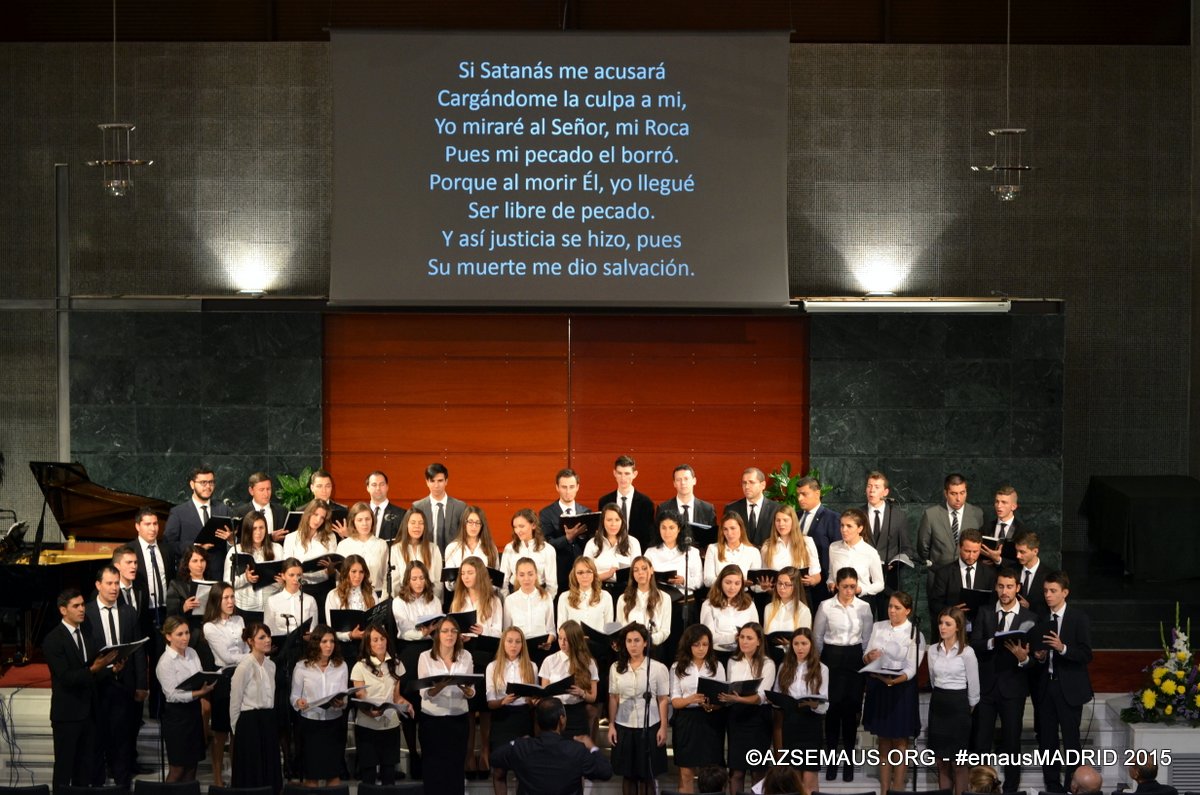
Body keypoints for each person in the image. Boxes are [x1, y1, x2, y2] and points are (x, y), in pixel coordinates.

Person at [46, 588, 121, 789]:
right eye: (76, 606)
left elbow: (93, 672)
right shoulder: (53, 640)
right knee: (64, 770)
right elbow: (66, 678)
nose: (82, 609)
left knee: (85, 770)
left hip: (89, 714)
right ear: (63, 610)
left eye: (82, 605)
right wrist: (94, 669)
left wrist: (111, 669)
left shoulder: (87, 634)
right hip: (67, 715)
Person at [970, 568, 1035, 793]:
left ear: (1018, 588)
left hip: (1013, 688)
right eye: (1000, 586)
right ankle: (980, 786)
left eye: (1009, 587)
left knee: (1012, 741)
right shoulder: (985, 612)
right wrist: (992, 642)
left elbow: (1035, 660)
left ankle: (1011, 788)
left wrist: (1024, 658)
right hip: (987, 688)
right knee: (981, 740)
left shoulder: (1030, 617)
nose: (1004, 591)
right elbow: (974, 643)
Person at [82, 564, 146, 789]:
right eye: (109, 583)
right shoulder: (86, 613)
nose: (114, 588)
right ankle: (97, 786)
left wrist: (142, 684)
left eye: (117, 583)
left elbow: (138, 651)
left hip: (123, 686)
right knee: (97, 741)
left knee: (122, 740)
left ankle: (122, 786)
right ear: (98, 585)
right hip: (97, 687)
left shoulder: (128, 611)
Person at [812, 567, 874, 782]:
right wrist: (819, 665)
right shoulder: (826, 606)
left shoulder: (864, 607)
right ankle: (831, 762)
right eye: (845, 586)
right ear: (837, 585)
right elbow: (817, 637)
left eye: (852, 587)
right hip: (831, 658)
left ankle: (848, 763)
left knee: (850, 713)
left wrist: (864, 662)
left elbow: (867, 639)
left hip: (854, 659)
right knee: (832, 712)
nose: (849, 591)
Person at [1033, 571, 1093, 793]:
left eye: (1053, 591)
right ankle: (1052, 784)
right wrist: (1039, 656)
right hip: (1046, 687)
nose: (1048, 595)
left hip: (1069, 688)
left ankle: (1072, 785)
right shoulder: (1041, 618)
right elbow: (1037, 654)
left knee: (1071, 740)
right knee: (1047, 739)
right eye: (1045, 591)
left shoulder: (1078, 618)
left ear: (1065, 593)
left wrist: (1063, 648)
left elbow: (1086, 654)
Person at [862, 591, 925, 795]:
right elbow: (866, 654)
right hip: (879, 686)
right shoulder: (878, 626)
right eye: (890, 606)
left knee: (900, 741)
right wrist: (869, 657)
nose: (892, 610)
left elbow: (912, 668)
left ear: (908, 611)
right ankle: (884, 790)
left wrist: (894, 681)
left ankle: (897, 789)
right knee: (883, 740)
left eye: (897, 607)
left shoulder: (915, 633)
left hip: (901, 689)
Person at [491, 698, 614, 795]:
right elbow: (606, 772)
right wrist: (592, 747)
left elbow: (494, 758)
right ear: (562, 720)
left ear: (537, 721)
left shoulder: (521, 747)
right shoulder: (576, 750)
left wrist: (516, 742)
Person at [607, 623, 670, 795]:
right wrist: (611, 724)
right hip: (624, 725)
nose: (633, 645)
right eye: (629, 641)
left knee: (647, 775)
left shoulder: (657, 668)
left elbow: (663, 699)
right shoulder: (616, 667)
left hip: (649, 725)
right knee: (628, 776)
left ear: (645, 643)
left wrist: (663, 727)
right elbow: (613, 697)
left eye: (637, 640)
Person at [418, 616, 478, 795]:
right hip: (432, 720)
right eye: (445, 631)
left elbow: (471, 690)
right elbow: (424, 693)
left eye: (453, 631)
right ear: (437, 634)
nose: (449, 635)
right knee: (433, 769)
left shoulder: (465, 656)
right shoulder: (425, 657)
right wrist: (441, 685)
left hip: (458, 719)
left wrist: (467, 690)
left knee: (455, 769)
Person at [927, 607, 980, 795]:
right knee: (941, 762)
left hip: (959, 707)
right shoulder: (933, 650)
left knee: (959, 763)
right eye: (941, 623)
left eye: (947, 624)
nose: (942, 627)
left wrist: (965, 710)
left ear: (958, 627)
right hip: (938, 705)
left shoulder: (967, 652)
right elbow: (933, 680)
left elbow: (974, 688)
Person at [351, 625, 413, 786]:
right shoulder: (360, 666)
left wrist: (407, 704)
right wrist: (370, 711)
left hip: (390, 725)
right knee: (369, 776)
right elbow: (360, 696)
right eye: (375, 640)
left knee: (389, 775)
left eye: (382, 639)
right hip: (367, 726)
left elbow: (396, 697)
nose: (379, 643)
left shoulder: (396, 664)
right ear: (368, 643)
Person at [156, 615, 215, 782]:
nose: (185, 637)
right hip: (176, 718)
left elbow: (199, 675)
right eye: (180, 634)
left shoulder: (192, 653)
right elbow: (172, 695)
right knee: (178, 768)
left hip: (194, 714)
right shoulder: (165, 662)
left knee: (192, 765)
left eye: (187, 633)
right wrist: (199, 693)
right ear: (168, 636)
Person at [669, 624, 726, 794]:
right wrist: (691, 699)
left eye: (705, 644)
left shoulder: (717, 666)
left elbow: (722, 697)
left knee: (710, 774)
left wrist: (712, 705)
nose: (701, 648)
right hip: (687, 720)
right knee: (686, 772)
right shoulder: (677, 667)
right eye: (696, 644)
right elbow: (675, 701)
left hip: (710, 720)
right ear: (688, 645)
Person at [291, 624, 350, 786]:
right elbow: (294, 696)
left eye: (332, 641)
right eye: (324, 641)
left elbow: (344, 696)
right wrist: (298, 702)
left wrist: (341, 703)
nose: (329, 646)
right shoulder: (302, 666)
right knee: (312, 776)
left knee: (333, 775)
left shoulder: (341, 665)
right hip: (311, 725)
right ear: (316, 643)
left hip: (334, 724)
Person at [772, 627, 827, 795]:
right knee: (793, 779)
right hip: (791, 724)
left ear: (811, 645)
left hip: (811, 725)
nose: (800, 648)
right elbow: (777, 692)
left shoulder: (822, 668)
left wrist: (814, 704)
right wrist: (775, 699)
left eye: (804, 643)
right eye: (796, 644)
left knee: (809, 779)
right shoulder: (784, 666)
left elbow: (825, 704)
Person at [721, 622, 775, 794]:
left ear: (759, 641)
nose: (744, 641)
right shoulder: (732, 661)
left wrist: (739, 698)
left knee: (757, 771)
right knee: (736, 772)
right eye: (742, 637)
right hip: (736, 718)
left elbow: (761, 696)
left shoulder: (768, 664)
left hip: (758, 719)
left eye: (749, 638)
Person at [202, 581, 246, 787]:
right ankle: (218, 779)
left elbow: (247, 646)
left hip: (243, 676)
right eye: (225, 598)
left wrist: (249, 656)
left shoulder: (239, 620)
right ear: (216, 601)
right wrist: (249, 657)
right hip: (224, 679)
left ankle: (237, 776)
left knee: (238, 731)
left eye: (232, 597)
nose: (230, 601)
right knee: (221, 732)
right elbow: (226, 657)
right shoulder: (210, 626)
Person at [229, 622, 281, 793]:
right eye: (262, 637)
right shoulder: (244, 667)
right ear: (250, 641)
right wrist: (237, 730)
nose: (268, 640)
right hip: (249, 723)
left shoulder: (271, 665)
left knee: (268, 768)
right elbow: (235, 700)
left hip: (268, 720)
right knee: (252, 770)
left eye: (268, 636)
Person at [486, 626, 538, 794]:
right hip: (502, 718)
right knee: (499, 770)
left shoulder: (531, 666)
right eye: (509, 641)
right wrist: (503, 701)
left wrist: (533, 701)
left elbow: (533, 697)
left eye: (517, 642)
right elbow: (490, 703)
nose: (513, 645)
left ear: (522, 644)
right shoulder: (493, 667)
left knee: (523, 770)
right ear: (503, 643)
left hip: (523, 718)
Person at [164, 466, 233, 578]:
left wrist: (230, 540)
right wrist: (195, 547)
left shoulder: (223, 509)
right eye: (203, 483)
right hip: (190, 577)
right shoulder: (178, 512)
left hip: (219, 575)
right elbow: (169, 544)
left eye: (211, 482)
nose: (208, 486)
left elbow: (235, 543)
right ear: (192, 484)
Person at [929, 528, 997, 637]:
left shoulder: (990, 573)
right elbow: (935, 604)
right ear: (959, 548)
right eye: (967, 551)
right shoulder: (944, 573)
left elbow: (992, 603)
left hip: (979, 631)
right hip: (952, 631)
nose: (971, 556)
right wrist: (952, 611)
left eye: (975, 552)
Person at [539, 620, 600, 739]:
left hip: (577, 713)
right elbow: (544, 692)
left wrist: (582, 693)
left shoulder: (589, 662)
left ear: (575, 640)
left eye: (566, 639)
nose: (562, 643)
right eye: (560, 638)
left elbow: (593, 697)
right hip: (554, 714)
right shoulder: (549, 660)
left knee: (578, 748)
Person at [862, 471, 913, 605]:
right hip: (864, 578)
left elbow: (907, 548)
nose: (872, 490)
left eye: (876, 487)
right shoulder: (858, 514)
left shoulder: (898, 515)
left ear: (885, 492)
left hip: (889, 580)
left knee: (887, 614)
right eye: (869, 486)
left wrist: (895, 564)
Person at [918, 473, 984, 572]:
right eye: (953, 493)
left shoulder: (977, 514)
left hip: (967, 574)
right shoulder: (931, 515)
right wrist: (933, 566)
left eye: (962, 493)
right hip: (938, 573)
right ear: (946, 493)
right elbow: (923, 548)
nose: (958, 499)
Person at [540, 468, 593, 590]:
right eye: (564, 487)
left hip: (582, 572)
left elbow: (590, 543)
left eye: (571, 487)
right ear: (557, 487)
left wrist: (582, 535)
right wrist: (567, 538)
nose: (568, 491)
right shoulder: (546, 513)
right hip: (558, 572)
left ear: (577, 487)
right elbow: (545, 544)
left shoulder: (586, 512)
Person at [795, 476, 841, 605]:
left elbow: (837, 551)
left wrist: (832, 579)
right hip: (798, 584)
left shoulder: (832, 518)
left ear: (817, 493)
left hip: (822, 585)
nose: (800, 498)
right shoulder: (795, 516)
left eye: (804, 494)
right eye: (798, 494)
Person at [225, 511, 284, 614]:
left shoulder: (277, 549)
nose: (258, 532)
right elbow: (227, 583)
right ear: (247, 530)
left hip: (272, 607)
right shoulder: (236, 550)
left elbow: (286, 578)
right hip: (245, 608)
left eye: (261, 528)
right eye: (254, 528)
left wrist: (282, 582)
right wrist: (245, 578)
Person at [282, 498, 340, 600]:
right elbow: (287, 567)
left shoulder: (330, 537)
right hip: (299, 587)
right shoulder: (291, 538)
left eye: (322, 518)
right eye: (315, 514)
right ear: (308, 513)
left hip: (324, 588)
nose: (318, 520)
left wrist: (331, 569)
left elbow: (333, 564)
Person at [596, 454, 657, 551]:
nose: (623, 478)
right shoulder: (604, 501)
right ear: (614, 473)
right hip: (609, 551)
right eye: (619, 473)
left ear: (635, 474)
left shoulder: (646, 503)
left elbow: (648, 536)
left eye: (627, 473)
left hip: (636, 552)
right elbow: (601, 531)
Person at [827, 508, 885, 607]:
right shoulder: (834, 547)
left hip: (862, 601)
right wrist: (831, 582)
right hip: (838, 599)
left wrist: (861, 589)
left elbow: (879, 584)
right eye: (842, 525)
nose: (844, 530)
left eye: (849, 526)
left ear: (860, 528)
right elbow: (831, 574)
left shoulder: (870, 552)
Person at [504, 557, 556, 666]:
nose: (526, 579)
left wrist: (548, 642)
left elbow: (551, 629)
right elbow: (506, 631)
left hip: (541, 651)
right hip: (519, 652)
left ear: (536, 575)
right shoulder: (510, 600)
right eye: (522, 575)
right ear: (516, 576)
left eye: (530, 574)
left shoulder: (546, 597)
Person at [758, 504, 822, 593]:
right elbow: (765, 578)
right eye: (778, 520)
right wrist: (765, 586)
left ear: (793, 522)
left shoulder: (807, 542)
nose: (781, 524)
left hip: (800, 594)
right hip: (776, 595)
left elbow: (817, 576)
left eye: (785, 520)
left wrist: (812, 580)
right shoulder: (767, 546)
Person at [583, 503, 642, 594]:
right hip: (598, 589)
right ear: (603, 521)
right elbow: (584, 575)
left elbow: (638, 572)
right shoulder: (592, 543)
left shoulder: (633, 542)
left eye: (617, 520)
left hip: (626, 590)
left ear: (622, 521)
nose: (613, 524)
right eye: (609, 520)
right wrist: (606, 575)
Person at [618, 556, 672, 655]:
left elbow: (665, 630)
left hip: (653, 648)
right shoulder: (623, 598)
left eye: (644, 568)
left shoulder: (664, 598)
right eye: (636, 570)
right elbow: (620, 626)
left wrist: (647, 640)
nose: (640, 573)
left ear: (651, 570)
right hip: (630, 649)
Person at [325, 554, 375, 662]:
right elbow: (331, 630)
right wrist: (350, 635)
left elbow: (377, 621)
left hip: (368, 646)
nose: (358, 576)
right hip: (344, 649)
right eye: (353, 571)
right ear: (346, 572)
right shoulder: (333, 595)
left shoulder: (371, 593)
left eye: (361, 572)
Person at [644, 508, 703, 596]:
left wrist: (683, 581)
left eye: (671, 528)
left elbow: (700, 582)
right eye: (663, 528)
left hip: (683, 598)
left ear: (679, 529)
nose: (667, 532)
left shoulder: (692, 552)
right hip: (657, 597)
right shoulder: (650, 552)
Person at [501, 508, 559, 597]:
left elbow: (552, 585)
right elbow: (503, 580)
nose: (518, 531)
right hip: (514, 593)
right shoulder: (509, 548)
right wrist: (507, 600)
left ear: (533, 525)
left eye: (521, 526)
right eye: (515, 527)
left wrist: (545, 601)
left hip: (539, 594)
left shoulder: (548, 549)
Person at [413, 462, 469, 552]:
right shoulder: (418, 507)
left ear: (446, 481)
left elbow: (466, 535)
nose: (436, 485)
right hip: (426, 555)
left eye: (440, 481)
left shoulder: (460, 507)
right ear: (427, 482)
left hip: (453, 556)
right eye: (432, 481)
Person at [761, 566, 813, 663]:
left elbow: (805, 642)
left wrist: (790, 644)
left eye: (787, 584)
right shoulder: (769, 608)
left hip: (793, 658)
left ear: (795, 586)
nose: (782, 587)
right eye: (779, 583)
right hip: (770, 657)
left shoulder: (803, 610)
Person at [389, 506, 444, 598]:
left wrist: (429, 600)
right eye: (413, 523)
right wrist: (407, 600)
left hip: (429, 600)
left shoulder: (433, 549)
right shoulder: (396, 549)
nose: (417, 526)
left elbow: (438, 582)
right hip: (404, 600)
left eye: (421, 523)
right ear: (406, 525)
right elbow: (395, 583)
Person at [337, 501, 390, 594]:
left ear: (372, 520)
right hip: (349, 595)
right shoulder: (343, 545)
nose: (364, 523)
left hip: (376, 594)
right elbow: (339, 577)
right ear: (353, 522)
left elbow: (386, 575)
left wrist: (384, 598)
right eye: (360, 520)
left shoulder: (381, 544)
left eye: (367, 519)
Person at [444, 505, 501, 591]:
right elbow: (449, 585)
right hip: (461, 594)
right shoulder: (452, 548)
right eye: (470, 522)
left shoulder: (491, 548)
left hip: (485, 594)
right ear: (464, 523)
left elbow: (496, 582)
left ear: (482, 525)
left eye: (477, 523)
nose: (474, 526)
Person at [700, 564, 759, 648]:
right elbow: (708, 636)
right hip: (718, 652)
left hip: (744, 651)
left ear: (742, 585)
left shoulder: (749, 604)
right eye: (728, 583)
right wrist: (733, 638)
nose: (732, 587)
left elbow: (756, 632)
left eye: (737, 583)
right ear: (720, 582)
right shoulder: (708, 605)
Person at [166, 545, 213, 645]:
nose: (200, 565)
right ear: (187, 564)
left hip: (212, 633)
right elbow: (171, 615)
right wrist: (183, 608)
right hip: (190, 634)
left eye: (202, 560)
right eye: (195, 561)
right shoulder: (177, 585)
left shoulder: (213, 582)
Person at [702, 512, 762, 587]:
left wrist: (763, 587)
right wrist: (731, 582)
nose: (729, 533)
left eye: (733, 528)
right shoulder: (713, 549)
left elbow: (755, 586)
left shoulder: (753, 552)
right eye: (725, 529)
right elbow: (707, 580)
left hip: (744, 593)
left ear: (741, 529)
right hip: (719, 593)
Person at [724, 467, 781, 546]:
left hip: (768, 553)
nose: (747, 486)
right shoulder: (732, 509)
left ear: (763, 485)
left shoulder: (776, 509)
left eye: (751, 482)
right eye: (744, 483)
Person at [264, 557, 318, 637]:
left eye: (299, 575)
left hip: (303, 643)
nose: (296, 579)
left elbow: (313, 630)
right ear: (283, 576)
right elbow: (268, 630)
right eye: (291, 575)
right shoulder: (272, 601)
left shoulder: (310, 600)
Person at [558, 555, 614, 630]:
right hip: (574, 638)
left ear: (594, 574)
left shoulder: (606, 596)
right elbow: (561, 629)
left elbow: (609, 629)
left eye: (589, 572)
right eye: (580, 573)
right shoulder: (564, 597)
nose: (584, 576)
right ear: (574, 575)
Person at [232, 471, 289, 544]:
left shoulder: (282, 511)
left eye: (268, 489)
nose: (266, 494)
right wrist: (270, 537)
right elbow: (241, 540)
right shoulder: (241, 513)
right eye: (261, 490)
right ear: (251, 491)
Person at [979, 485, 1027, 567]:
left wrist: (998, 560)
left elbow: (1023, 561)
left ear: (1013, 507)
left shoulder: (1022, 531)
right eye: (997, 502)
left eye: (1004, 502)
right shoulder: (985, 528)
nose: (999, 506)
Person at [1015, 532, 1048, 616]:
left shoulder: (1048, 575)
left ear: (1035, 551)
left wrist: (1030, 607)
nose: (1018, 556)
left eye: (1022, 552)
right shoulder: (1012, 570)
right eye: (1017, 551)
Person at [366, 470, 405, 541]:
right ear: (367, 488)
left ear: (387, 487)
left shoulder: (401, 514)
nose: (378, 488)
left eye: (382, 484)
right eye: (374, 485)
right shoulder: (359, 513)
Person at [308, 468, 349, 535]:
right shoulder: (301, 511)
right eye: (319, 486)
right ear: (312, 488)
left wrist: (347, 535)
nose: (324, 490)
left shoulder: (343, 511)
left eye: (327, 486)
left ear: (332, 487)